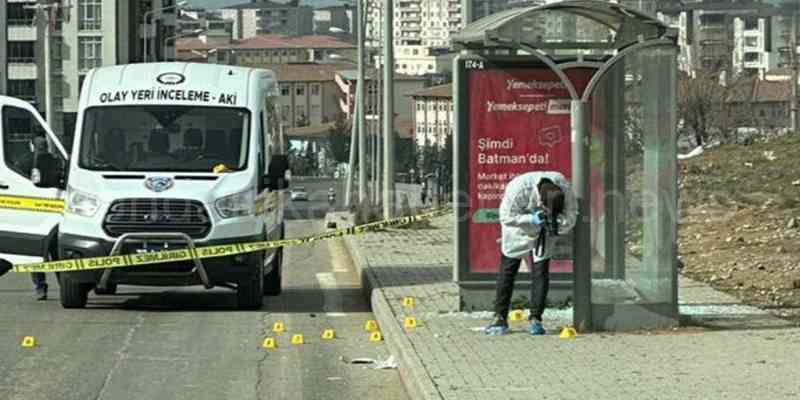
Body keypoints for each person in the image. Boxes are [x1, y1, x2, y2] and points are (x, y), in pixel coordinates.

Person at [485, 171, 577, 336]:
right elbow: (505, 216)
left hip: (544, 232)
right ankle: (499, 316)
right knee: (508, 270)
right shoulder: (519, 188)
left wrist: (555, 221)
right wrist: (530, 219)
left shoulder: (564, 187)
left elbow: (571, 217)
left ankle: (536, 318)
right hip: (518, 230)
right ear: (540, 200)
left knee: (541, 272)